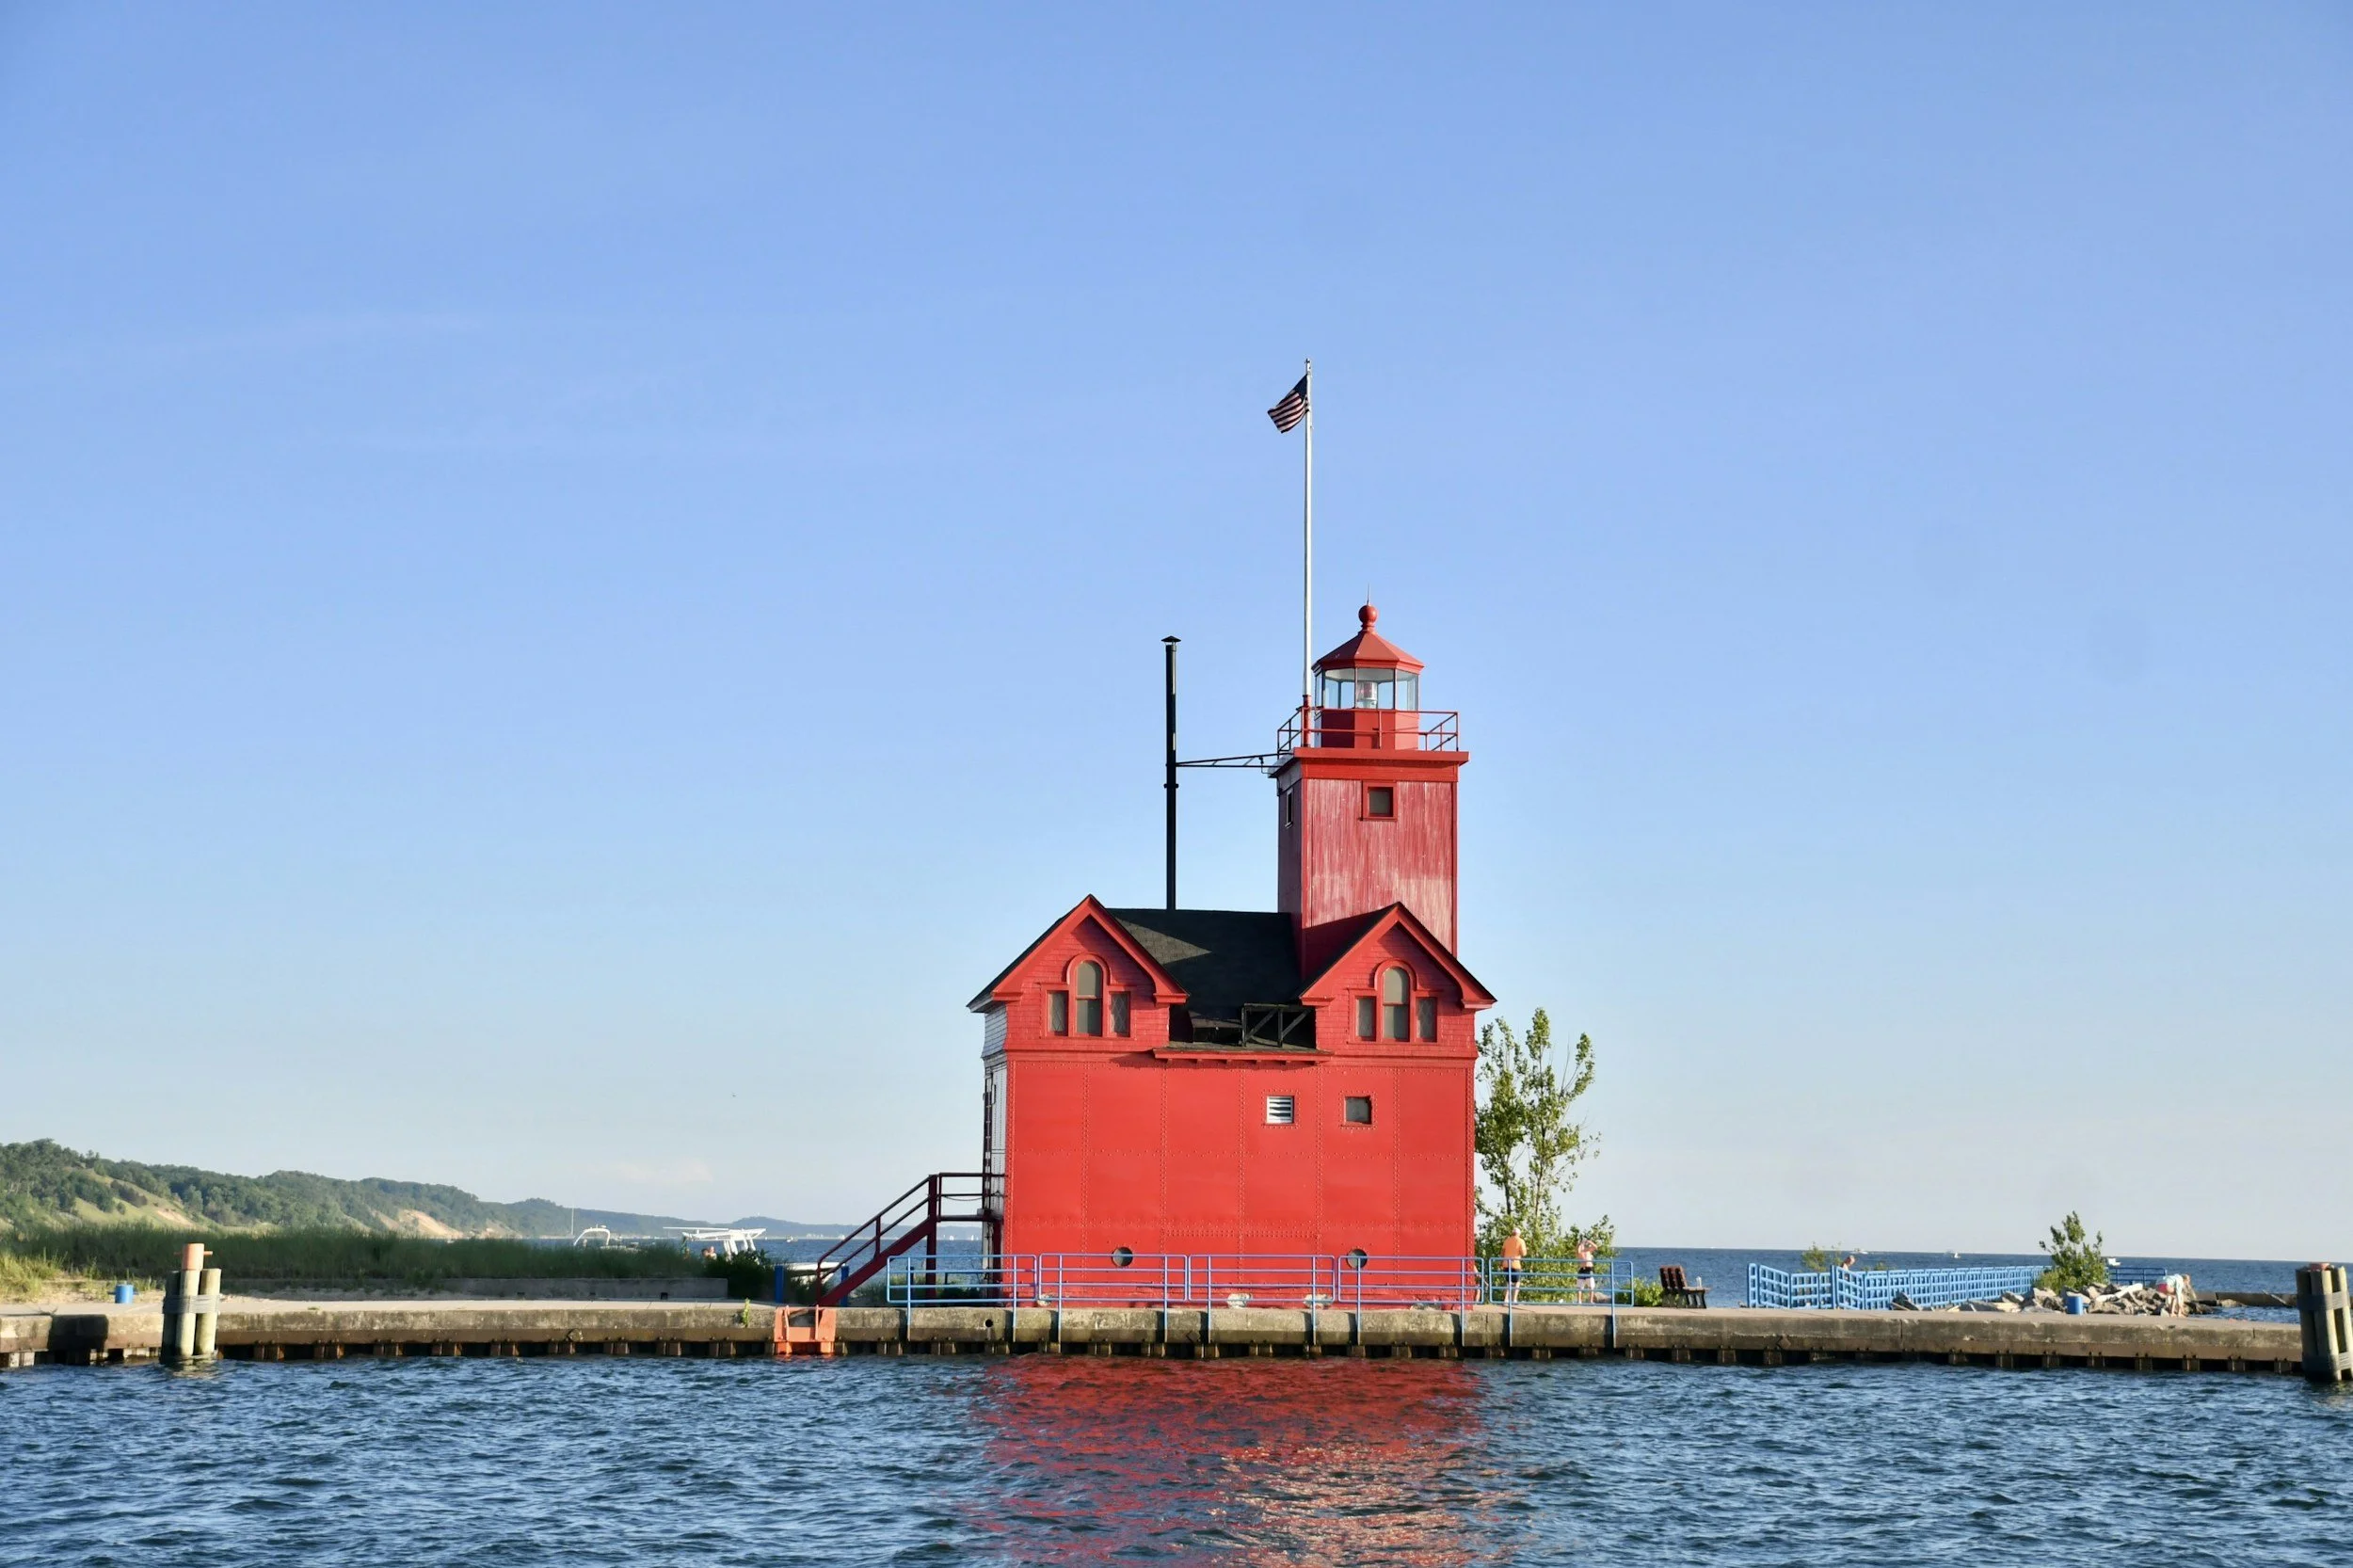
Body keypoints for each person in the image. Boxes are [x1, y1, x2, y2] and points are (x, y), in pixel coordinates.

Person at [1500, 1228, 1528, 1305]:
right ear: (1519, 1234)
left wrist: (1501, 1262)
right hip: (1515, 1264)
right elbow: (1523, 1253)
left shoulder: (1507, 1240)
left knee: (1508, 1282)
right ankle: (1514, 1299)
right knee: (1517, 1282)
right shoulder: (1520, 1241)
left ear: (1512, 1233)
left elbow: (1502, 1252)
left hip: (1506, 1263)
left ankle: (1505, 1300)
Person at [1576, 1238, 1596, 1303]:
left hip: (1588, 1269)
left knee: (1591, 1286)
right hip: (1582, 1270)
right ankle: (1579, 1301)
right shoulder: (1579, 1252)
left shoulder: (1588, 1251)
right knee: (1579, 1287)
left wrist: (1589, 1241)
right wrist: (1580, 1243)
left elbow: (1595, 1247)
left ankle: (1591, 1301)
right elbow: (1577, 1249)